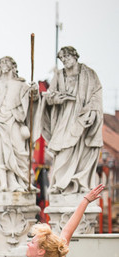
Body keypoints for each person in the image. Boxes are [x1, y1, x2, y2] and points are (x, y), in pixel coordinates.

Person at [39, 46, 103, 195]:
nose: (64, 60)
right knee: (62, 149)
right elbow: (50, 96)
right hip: (64, 117)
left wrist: (93, 113)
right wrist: (56, 99)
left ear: (75, 56)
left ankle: (78, 183)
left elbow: (96, 94)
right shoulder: (59, 75)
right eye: (62, 58)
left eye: (67, 57)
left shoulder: (89, 74)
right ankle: (61, 184)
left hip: (82, 116)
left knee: (81, 149)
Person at [0, 56, 37, 192]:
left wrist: (34, 92)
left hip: (15, 121)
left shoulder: (21, 85)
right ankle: (4, 184)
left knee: (20, 153)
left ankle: (24, 182)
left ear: (13, 67)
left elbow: (32, 101)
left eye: (7, 62)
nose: (4, 65)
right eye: (1, 63)